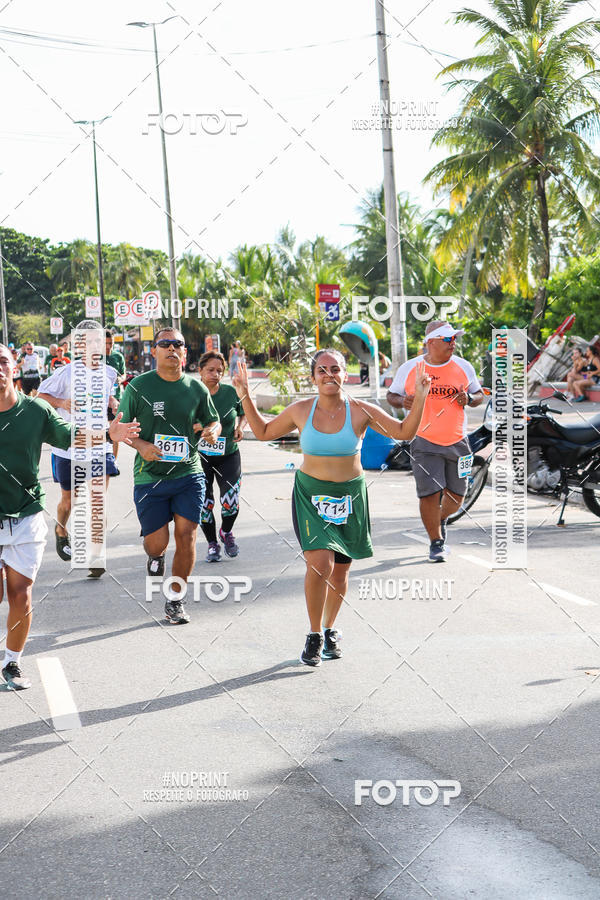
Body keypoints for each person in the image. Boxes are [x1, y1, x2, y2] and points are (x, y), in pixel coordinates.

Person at [233, 350, 431, 667]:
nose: (329, 375)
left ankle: (329, 629)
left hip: (349, 498)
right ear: (313, 377)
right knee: (320, 564)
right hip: (311, 496)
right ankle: (314, 635)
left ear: (345, 374)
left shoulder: (361, 410)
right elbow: (264, 432)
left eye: (335, 369)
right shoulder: (300, 410)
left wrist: (420, 396)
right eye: (322, 370)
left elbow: (404, 432)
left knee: (340, 572)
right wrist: (245, 394)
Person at [0, 343, 139, 689]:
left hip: (26, 514)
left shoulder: (35, 410)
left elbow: (70, 436)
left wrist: (107, 434)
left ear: (15, 368)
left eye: (2, 361)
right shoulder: (60, 380)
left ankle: (12, 662)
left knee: (21, 593)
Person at [117, 328, 221, 625]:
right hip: (150, 476)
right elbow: (121, 429)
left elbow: (213, 420)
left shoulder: (196, 388)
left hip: (189, 473)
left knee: (187, 534)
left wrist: (213, 431)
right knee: (156, 542)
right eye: (165, 344)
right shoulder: (138, 387)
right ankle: (156, 556)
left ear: (185, 352)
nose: (172, 348)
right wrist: (141, 446)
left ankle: (176, 599)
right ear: (155, 351)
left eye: (178, 344)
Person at [387, 321, 484, 562]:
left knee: (457, 497)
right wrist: (402, 401)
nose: (453, 343)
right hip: (423, 441)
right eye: (448, 339)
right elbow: (391, 395)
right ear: (431, 342)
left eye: (454, 339)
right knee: (429, 493)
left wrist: (469, 398)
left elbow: (479, 394)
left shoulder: (463, 366)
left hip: (458, 441)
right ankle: (436, 542)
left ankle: (440, 519)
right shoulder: (411, 368)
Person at [38, 331, 121, 577]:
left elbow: (105, 394)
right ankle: (61, 530)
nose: (96, 347)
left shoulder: (109, 373)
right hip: (69, 447)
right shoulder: (66, 372)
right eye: (91, 342)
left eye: (100, 343)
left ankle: (96, 554)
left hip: (100, 445)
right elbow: (40, 396)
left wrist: (112, 401)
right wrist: (62, 403)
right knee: (69, 501)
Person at [196, 351, 246, 562]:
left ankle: (226, 532)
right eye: (210, 370)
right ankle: (212, 544)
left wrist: (240, 427)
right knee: (204, 503)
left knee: (230, 500)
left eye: (219, 371)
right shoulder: (192, 392)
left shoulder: (230, 393)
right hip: (200, 457)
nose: (215, 374)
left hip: (228, 454)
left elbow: (243, 412)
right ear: (200, 371)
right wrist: (196, 427)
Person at [105, 330, 126, 459]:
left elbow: (124, 374)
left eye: (111, 343)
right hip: (99, 399)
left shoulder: (118, 357)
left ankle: (114, 460)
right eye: (106, 343)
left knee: (115, 430)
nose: (108, 346)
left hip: (116, 398)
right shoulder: (96, 357)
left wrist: (120, 379)